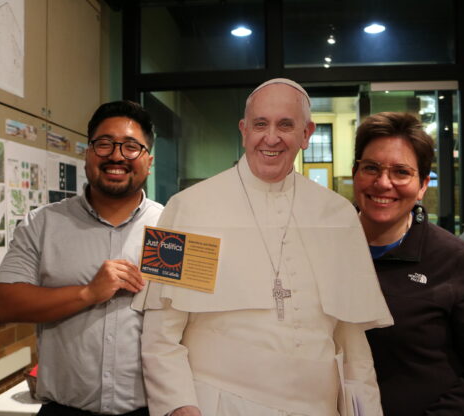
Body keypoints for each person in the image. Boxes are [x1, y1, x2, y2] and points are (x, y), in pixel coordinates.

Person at [138, 79, 393, 416]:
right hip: (218, 407)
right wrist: (179, 406)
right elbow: (160, 331)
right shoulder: (187, 207)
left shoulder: (339, 214)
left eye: (286, 125)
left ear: (306, 134)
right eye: (261, 124)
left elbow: (352, 342)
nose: (271, 137)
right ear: (244, 130)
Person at [0, 101, 163, 416]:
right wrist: (88, 293)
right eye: (105, 144)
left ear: (148, 161)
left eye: (131, 147)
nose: (116, 156)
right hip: (65, 409)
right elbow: (3, 303)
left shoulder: (173, 229)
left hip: (150, 410)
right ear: (87, 154)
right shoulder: (43, 224)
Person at [352, 112, 464, 416]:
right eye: (371, 168)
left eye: (401, 172)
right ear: (355, 173)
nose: (383, 183)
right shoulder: (321, 249)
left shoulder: (454, 260)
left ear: (422, 185)